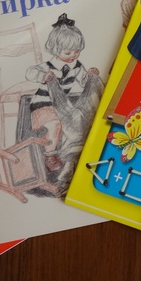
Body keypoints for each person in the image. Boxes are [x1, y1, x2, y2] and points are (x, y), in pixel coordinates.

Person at [25, 14, 102, 173]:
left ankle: (72, 152)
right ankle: (50, 155)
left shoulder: (76, 66)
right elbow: (30, 72)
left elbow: (83, 82)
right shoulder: (48, 66)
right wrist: (43, 76)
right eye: (68, 53)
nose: (73, 56)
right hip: (43, 105)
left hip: (60, 105)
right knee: (55, 125)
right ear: (56, 50)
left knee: (75, 122)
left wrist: (89, 76)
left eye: (76, 51)